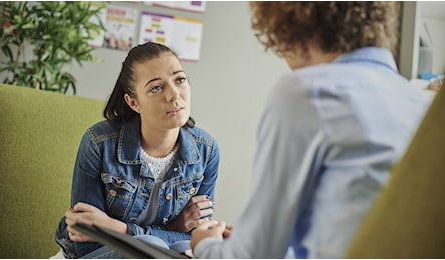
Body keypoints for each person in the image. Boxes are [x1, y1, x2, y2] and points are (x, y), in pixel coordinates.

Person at [190, 2, 430, 258]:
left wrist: (204, 244)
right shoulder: (419, 102)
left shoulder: (309, 91)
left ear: (290, 26)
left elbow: (254, 256)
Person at [55, 42, 220, 258]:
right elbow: (83, 239)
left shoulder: (206, 151)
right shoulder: (99, 143)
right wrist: (172, 230)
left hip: (162, 254)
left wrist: (119, 229)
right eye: (156, 87)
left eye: (179, 79)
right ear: (133, 102)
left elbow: (197, 239)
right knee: (149, 246)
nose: (174, 95)